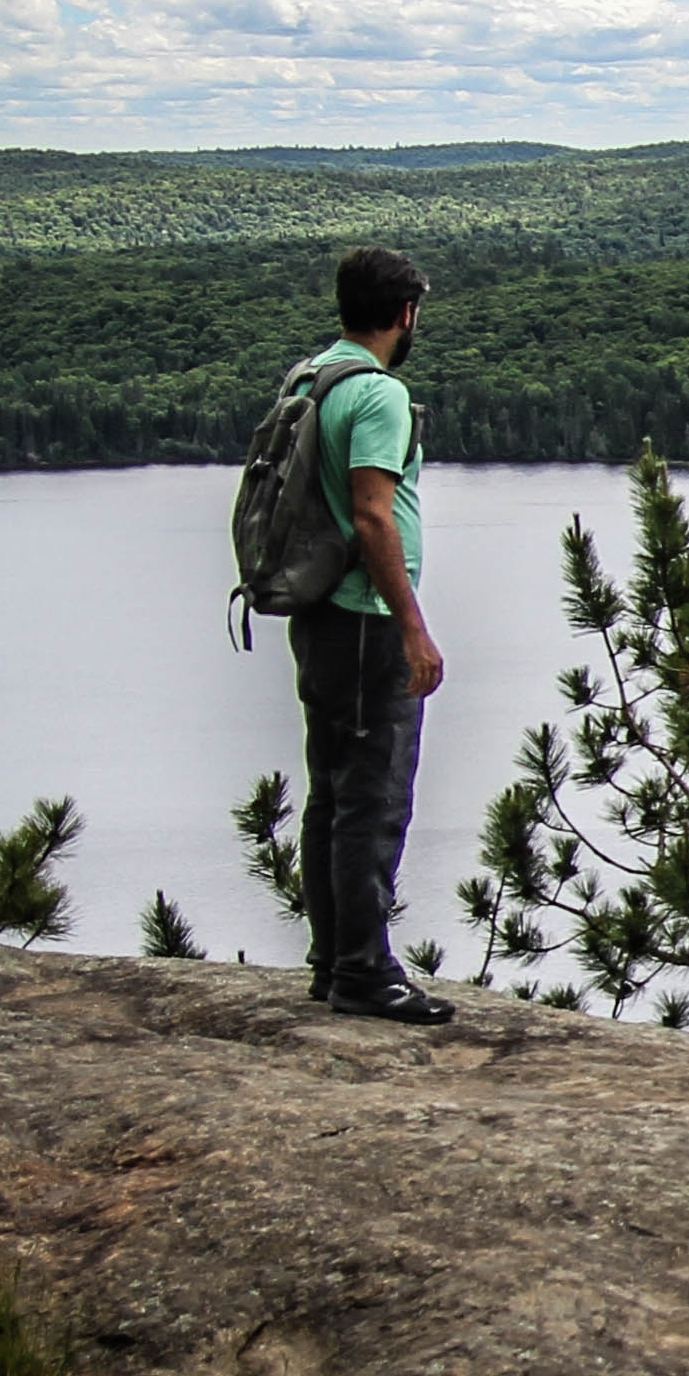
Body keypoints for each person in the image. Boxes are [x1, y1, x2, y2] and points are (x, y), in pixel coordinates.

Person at [291, 246, 454, 1024]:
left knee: (332, 792)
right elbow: (371, 513)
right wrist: (411, 628)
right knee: (374, 797)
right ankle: (362, 971)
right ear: (405, 315)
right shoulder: (379, 395)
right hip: (365, 617)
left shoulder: (310, 376)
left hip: (320, 616)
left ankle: (333, 961)